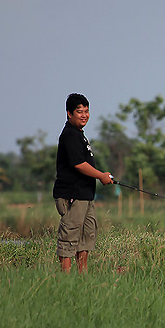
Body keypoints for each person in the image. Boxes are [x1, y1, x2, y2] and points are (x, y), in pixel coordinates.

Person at [54, 93, 115, 273]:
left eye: (86, 111)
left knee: (86, 237)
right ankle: (64, 281)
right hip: (72, 195)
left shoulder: (79, 134)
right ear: (69, 114)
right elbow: (78, 164)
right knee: (69, 238)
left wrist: (101, 176)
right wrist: (101, 176)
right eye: (79, 111)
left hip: (85, 195)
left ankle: (82, 278)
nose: (84, 115)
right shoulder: (69, 134)